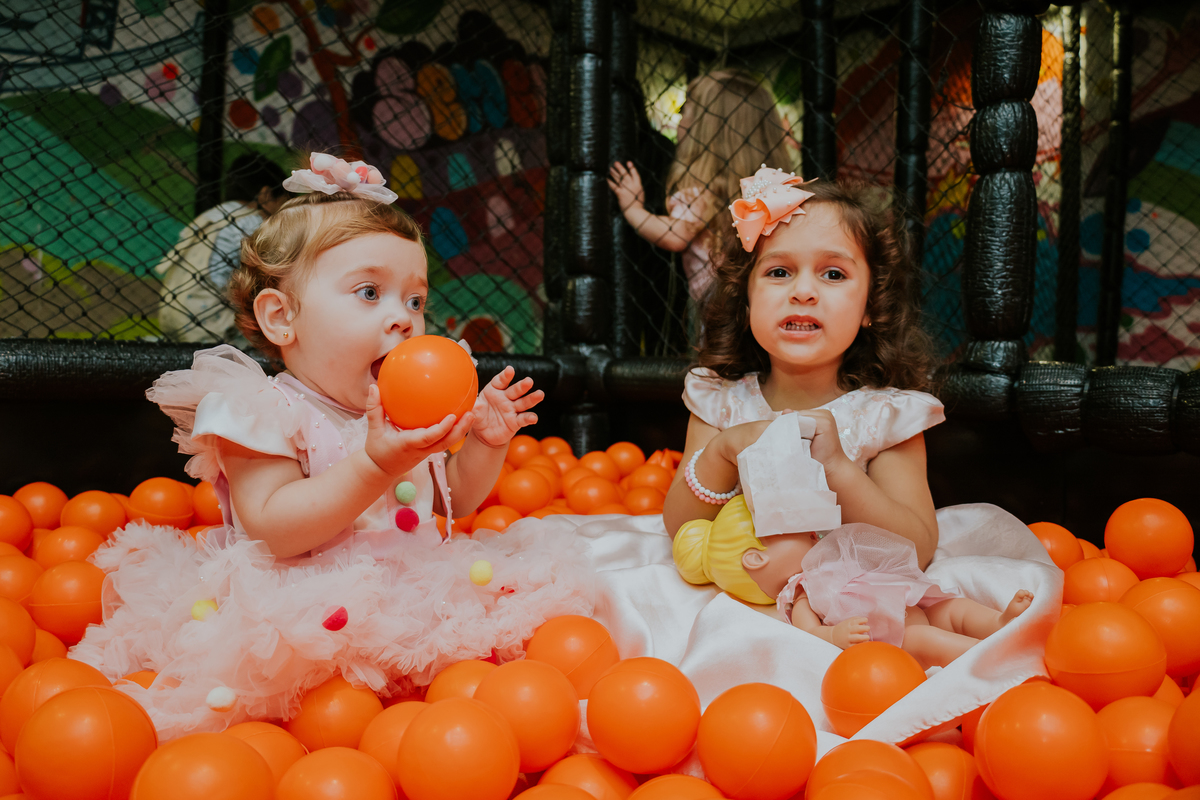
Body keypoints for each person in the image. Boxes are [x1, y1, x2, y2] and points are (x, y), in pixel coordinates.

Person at [74, 153, 593, 739]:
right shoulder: (264, 410)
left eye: (415, 300)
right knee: (324, 710)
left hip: (416, 592)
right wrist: (374, 463)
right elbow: (275, 524)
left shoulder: (400, 410)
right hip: (300, 615)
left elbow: (453, 505)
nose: (403, 318)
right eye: (370, 292)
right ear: (281, 316)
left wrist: (485, 444)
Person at [655, 166, 1036, 667]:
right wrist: (724, 453)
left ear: (869, 308)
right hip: (744, 604)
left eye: (833, 274)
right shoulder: (720, 400)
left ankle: (989, 657)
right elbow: (680, 527)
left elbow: (916, 546)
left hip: (850, 610)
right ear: (746, 298)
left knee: (924, 622)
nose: (804, 291)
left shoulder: (884, 416)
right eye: (778, 271)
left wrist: (838, 469)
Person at [673, 497, 1034, 668]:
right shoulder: (798, 591)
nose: (811, 532)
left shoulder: (826, 559)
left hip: (909, 605)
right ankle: (992, 660)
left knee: (953, 609)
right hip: (894, 637)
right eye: (789, 529)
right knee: (929, 640)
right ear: (756, 557)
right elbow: (807, 633)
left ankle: (997, 624)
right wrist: (834, 636)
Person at [607, 70, 793, 305]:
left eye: (686, 111)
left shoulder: (702, 192)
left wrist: (634, 209)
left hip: (717, 307)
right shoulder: (770, 192)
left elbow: (676, 236)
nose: (680, 120)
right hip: (764, 299)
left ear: (701, 130)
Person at [155, 153, 289, 343]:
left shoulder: (214, 215)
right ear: (266, 194)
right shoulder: (253, 223)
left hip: (173, 315)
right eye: (281, 204)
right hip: (209, 324)